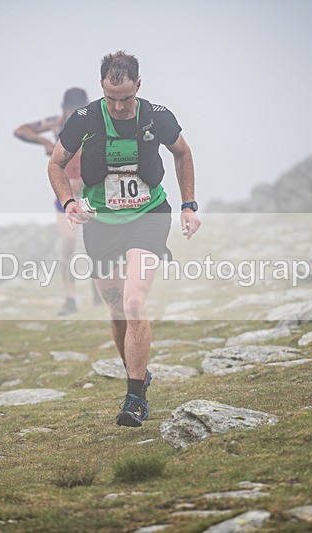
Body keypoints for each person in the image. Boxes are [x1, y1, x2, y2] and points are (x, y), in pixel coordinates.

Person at [48, 51, 201, 427]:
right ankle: (138, 372)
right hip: (100, 220)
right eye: (111, 97)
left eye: (126, 98)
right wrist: (68, 202)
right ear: (102, 87)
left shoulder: (157, 116)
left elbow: (182, 153)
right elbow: (55, 163)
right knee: (116, 311)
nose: (118, 106)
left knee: (134, 303)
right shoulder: (83, 119)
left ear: (138, 86)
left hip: (148, 216)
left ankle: (135, 399)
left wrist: (189, 205)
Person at [14, 87, 99, 316]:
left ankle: (98, 290)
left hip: (92, 195)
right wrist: (44, 142)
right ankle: (70, 299)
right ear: (64, 109)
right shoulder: (55, 123)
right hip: (65, 196)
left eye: (79, 110)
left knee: (98, 246)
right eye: (72, 111)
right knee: (68, 244)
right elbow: (20, 130)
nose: (75, 115)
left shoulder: (94, 122)